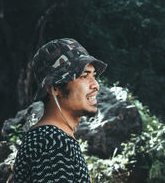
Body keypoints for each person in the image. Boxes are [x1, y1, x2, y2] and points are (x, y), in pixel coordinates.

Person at [13, 38, 107, 182]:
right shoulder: (54, 144)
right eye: (83, 76)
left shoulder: (51, 138)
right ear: (55, 88)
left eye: (93, 76)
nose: (95, 85)